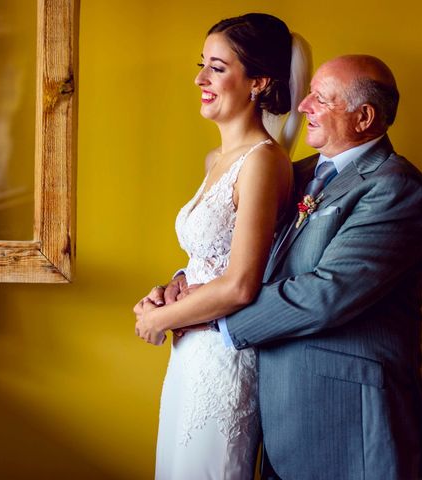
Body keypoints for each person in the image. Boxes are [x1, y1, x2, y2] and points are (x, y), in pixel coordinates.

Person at [158, 55, 422, 479]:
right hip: (278, 416)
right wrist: (183, 287)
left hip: (348, 419)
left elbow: (327, 294)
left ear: (364, 117)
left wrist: (213, 317)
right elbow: (236, 251)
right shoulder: (290, 172)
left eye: (320, 99)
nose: (302, 107)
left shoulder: (395, 188)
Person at [133, 13, 310, 479]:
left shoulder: (263, 162)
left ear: (259, 82)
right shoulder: (219, 159)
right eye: (202, 65)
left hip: (222, 359)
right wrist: (172, 286)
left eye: (217, 67)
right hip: (190, 355)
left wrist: (158, 320)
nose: (200, 78)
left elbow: (241, 284)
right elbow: (210, 256)